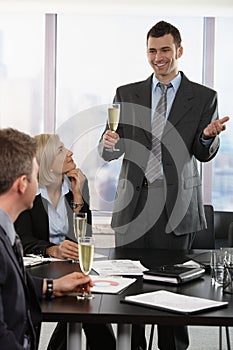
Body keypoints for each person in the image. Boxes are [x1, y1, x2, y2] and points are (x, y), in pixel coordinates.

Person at [98, 21, 230, 350]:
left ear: (179, 51)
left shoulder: (203, 97)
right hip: (134, 209)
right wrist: (108, 141)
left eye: (165, 50)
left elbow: (202, 153)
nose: (159, 57)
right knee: (129, 295)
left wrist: (206, 137)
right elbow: (110, 150)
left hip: (177, 210)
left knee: (174, 297)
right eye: (153, 51)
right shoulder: (126, 94)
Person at [14, 133, 116, 350]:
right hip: (41, 267)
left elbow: (84, 236)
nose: (70, 153)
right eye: (61, 150)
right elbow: (23, 238)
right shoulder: (29, 191)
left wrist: (78, 197)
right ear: (48, 163)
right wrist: (52, 250)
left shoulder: (77, 184)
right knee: (73, 307)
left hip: (73, 264)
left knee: (90, 306)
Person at [0, 127, 92, 349]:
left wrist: (53, 286)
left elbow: (11, 285)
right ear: (23, 183)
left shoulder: (6, 233)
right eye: (34, 173)